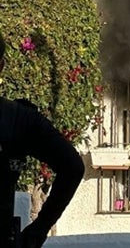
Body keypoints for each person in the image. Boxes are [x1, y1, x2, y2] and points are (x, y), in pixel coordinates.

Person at [0, 35, 85, 247]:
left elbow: (73, 167)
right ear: (1, 66)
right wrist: (39, 230)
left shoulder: (20, 119)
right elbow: (73, 167)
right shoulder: (20, 119)